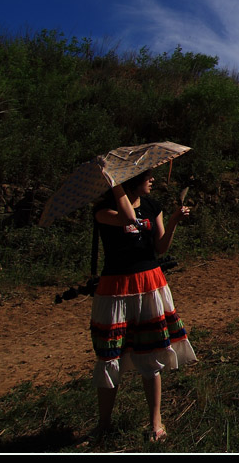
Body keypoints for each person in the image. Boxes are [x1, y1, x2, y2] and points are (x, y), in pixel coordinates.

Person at [89, 165, 196, 443]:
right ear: (130, 180)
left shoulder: (152, 205)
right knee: (110, 355)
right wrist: (115, 183)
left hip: (150, 283)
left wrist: (172, 220)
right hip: (115, 287)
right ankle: (103, 424)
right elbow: (126, 217)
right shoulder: (103, 209)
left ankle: (155, 422)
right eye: (146, 176)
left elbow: (160, 248)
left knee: (151, 351)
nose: (152, 179)